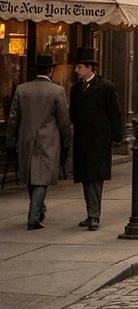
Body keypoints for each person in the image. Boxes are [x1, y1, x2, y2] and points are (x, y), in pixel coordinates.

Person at [6, 54, 71, 230]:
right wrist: (67, 140)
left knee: (31, 176)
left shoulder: (22, 89)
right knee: (41, 178)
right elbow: (64, 119)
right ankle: (33, 217)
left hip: (26, 139)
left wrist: (11, 140)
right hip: (48, 140)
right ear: (51, 71)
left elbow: (13, 118)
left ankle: (38, 208)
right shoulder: (57, 91)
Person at [68, 47, 122, 230]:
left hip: (99, 139)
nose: (77, 70)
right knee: (85, 177)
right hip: (82, 140)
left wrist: (117, 137)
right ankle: (90, 212)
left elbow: (115, 113)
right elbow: (73, 113)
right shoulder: (75, 89)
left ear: (90, 68)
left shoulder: (106, 87)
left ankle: (94, 215)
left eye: (80, 67)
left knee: (95, 178)